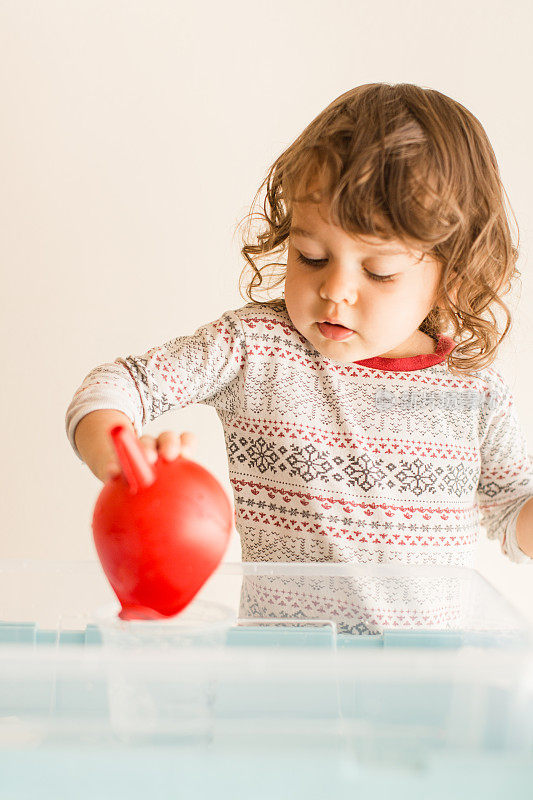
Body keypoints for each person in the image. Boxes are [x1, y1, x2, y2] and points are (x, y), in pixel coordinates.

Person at [65, 83, 533, 629]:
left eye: (378, 272)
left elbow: (512, 509)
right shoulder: (254, 350)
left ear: (452, 273)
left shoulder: (474, 395)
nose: (336, 289)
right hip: (283, 682)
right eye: (310, 256)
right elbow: (115, 386)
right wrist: (118, 455)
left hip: (421, 687)